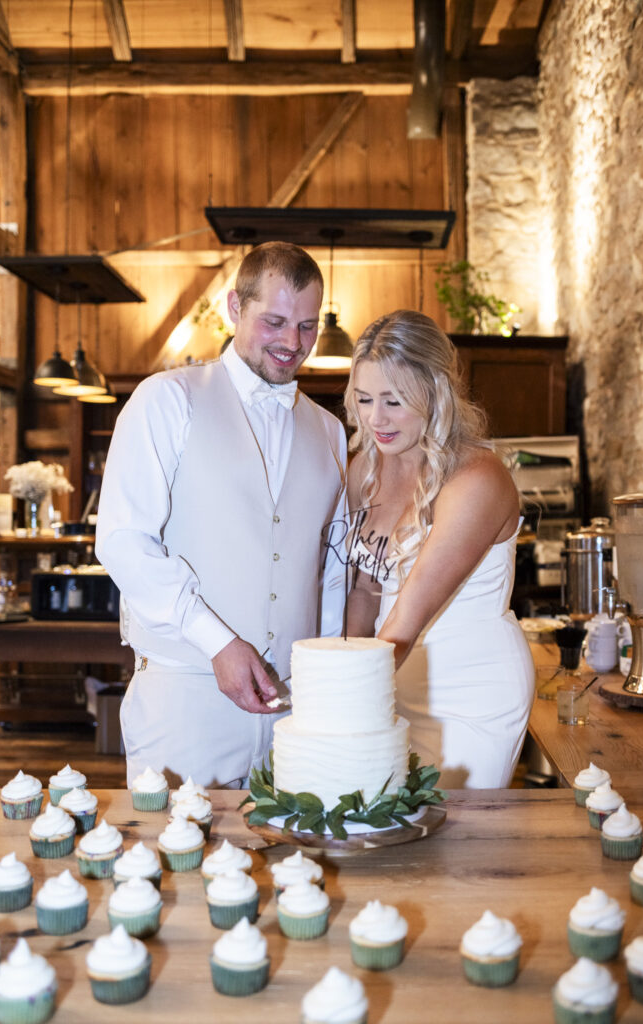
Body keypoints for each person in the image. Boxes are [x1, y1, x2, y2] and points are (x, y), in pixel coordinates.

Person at [96, 242, 347, 788]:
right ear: (235, 307)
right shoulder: (166, 399)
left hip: (292, 711)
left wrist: (324, 683)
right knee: (176, 861)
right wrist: (217, 641)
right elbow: (122, 541)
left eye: (307, 327)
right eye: (275, 321)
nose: (292, 343)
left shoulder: (330, 432)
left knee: (295, 868)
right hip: (185, 698)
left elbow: (330, 570)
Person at [344, 309, 534, 788]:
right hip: (391, 679)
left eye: (393, 401)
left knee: (457, 845)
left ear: (434, 391)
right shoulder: (364, 471)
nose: (375, 419)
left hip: (471, 693)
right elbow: (366, 591)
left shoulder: (478, 479)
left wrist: (341, 700)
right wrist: (352, 665)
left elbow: (408, 617)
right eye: (364, 399)